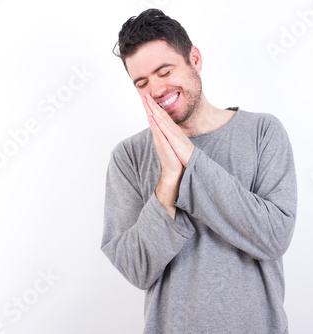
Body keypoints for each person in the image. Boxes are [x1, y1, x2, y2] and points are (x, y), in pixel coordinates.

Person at [101, 8, 297, 334]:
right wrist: (167, 182)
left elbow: (273, 238)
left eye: (165, 71)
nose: (157, 89)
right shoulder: (128, 157)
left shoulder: (264, 132)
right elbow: (135, 268)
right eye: (142, 82)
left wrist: (190, 158)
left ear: (195, 58)